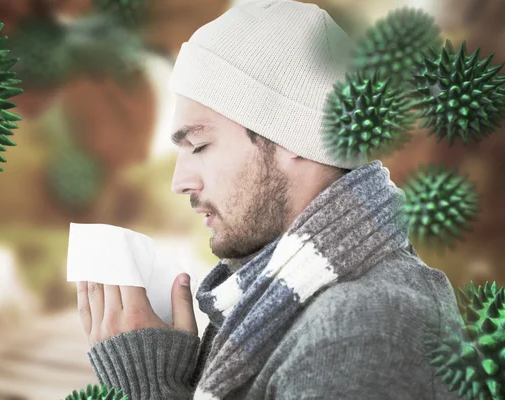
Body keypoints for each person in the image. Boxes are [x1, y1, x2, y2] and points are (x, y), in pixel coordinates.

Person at [76, 1, 462, 398]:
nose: (180, 181)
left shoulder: (358, 331)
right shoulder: (276, 303)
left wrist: (147, 388)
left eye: (200, 145)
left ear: (294, 136)